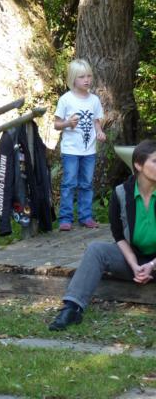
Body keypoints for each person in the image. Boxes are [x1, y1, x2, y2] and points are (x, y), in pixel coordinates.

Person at [49, 139, 156, 331]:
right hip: (134, 259)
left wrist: (151, 265)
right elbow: (119, 236)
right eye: (155, 161)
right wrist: (135, 265)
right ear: (139, 165)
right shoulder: (121, 193)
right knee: (96, 250)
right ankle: (72, 308)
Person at [54, 59, 106, 231]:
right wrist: (68, 123)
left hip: (89, 151)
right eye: (82, 77)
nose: (87, 80)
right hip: (70, 150)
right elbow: (56, 124)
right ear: (72, 79)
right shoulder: (65, 100)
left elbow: (96, 121)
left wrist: (99, 132)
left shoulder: (94, 100)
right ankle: (65, 219)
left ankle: (86, 217)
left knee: (86, 184)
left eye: (89, 76)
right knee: (69, 183)